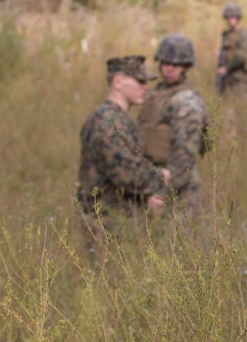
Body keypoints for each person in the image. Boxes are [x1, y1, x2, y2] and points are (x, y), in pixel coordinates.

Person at [76, 55, 168, 244]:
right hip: (106, 222)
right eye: (139, 81)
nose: (145, 86)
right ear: (118, 82)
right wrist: (160, 178)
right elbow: (126, 174)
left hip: (115, 219)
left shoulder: (114, 118)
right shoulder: (109, 122)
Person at [137, 33, 208, 216]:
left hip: (176, 187)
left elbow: (185, 155)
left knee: (171, 242)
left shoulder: (186, 102)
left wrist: (164, 195)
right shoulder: (157, 93)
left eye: (175, 64)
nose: (169, 68)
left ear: (185, 66)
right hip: (151, 178)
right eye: (165, 63)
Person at [216, 2, 247, 97]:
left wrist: (227, 67)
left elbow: (243, 56)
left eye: (233, 17)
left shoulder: (243, 34)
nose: (230, 20)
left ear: (238, 18)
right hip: (228, 75)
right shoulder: (227, 34)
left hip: (240, 75)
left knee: (240, 104)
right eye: (228, 17)